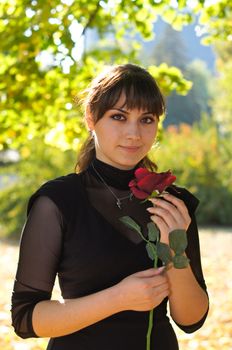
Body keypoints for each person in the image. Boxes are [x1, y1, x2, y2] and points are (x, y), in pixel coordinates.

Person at [11, 63, 209, 349]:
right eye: (119, 117)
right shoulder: (57, 201)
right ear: (91, 118)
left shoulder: (172, 202)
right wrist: (118, 298)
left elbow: (191, 320)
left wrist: (175, 250)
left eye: (147, 119)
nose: (134, 134)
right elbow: (25, 318)